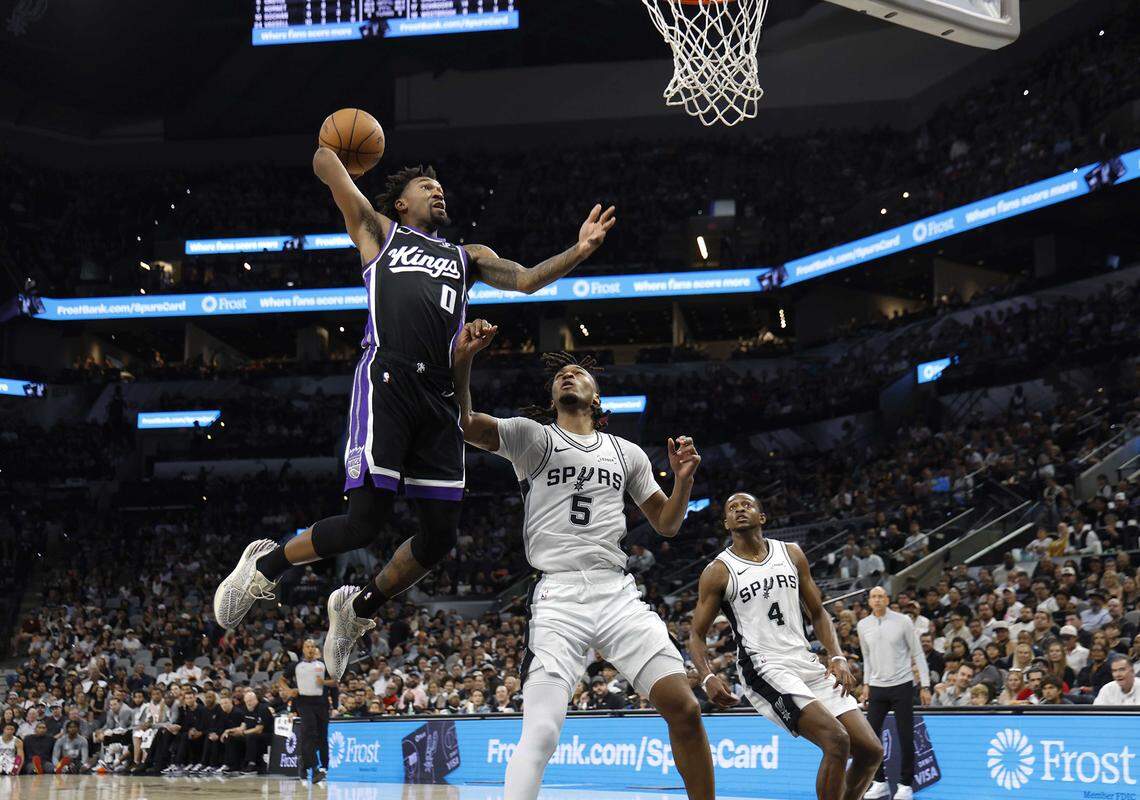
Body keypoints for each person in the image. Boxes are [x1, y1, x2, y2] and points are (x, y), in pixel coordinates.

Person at [213, 147, 617, 685]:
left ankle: (355, 611)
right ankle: (265, 566)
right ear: (401, 203)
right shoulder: (379, 233)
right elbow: (321, 161)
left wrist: (581, 250)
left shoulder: (466, 255)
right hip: (389, 378)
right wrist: (343, 155)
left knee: (439, 538)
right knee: (364, 524)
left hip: (440, 393)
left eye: (439, 186)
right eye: (426, 187)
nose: (437, 190)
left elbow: (526, 280)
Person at [454, 324, 716, 800]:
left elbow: (668, 524)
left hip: (617, 593)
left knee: (685, 707)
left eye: (577, 373)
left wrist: (683, 480)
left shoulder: (627, 453)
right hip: (558, 596)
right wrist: (464, 360)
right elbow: (466, 422)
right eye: (561, 375)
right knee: (542, 731)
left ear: (597, 397)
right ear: (554, 395)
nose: (567, 376)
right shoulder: (531, 438)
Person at [690, 492, 883, 800]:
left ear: (762, 517)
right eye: (732, 508)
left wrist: (837, 656)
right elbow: (696, 635)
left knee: (871, 751)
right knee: (836, 741)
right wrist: (707, 676)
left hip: (805, 661)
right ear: (726, 522)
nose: (740, 509)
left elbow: (818, 612)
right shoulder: (719, 571)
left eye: (747, 505)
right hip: (764, 666)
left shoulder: (791, 553)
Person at [858, 586, 930, 800]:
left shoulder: (903, 621)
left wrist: (924, 685)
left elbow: (917, 652)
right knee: (870, 737)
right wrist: (866, 684)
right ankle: (879, 782)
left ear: (887, 599)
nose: (877, 600)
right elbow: (867, 657)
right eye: (873, 597)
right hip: (877, 686)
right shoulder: (863, 625)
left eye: (881, 596)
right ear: (869, 601)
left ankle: (905, 784)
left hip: (902, 684)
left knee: (906, 735)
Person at [279, 639, 336, 783]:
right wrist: (289, 690)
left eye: (313, 646)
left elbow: (335, 682)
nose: (310, 649)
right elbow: (281, 681)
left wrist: (324, 683)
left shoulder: (323, 664)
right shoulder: (295, 666)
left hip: (322, 704)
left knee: (322, 736)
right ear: (303, 649)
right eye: (307, 646)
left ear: (316, 649)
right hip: (304, 703)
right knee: (309, 735)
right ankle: (314, 768)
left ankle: (323, 767)